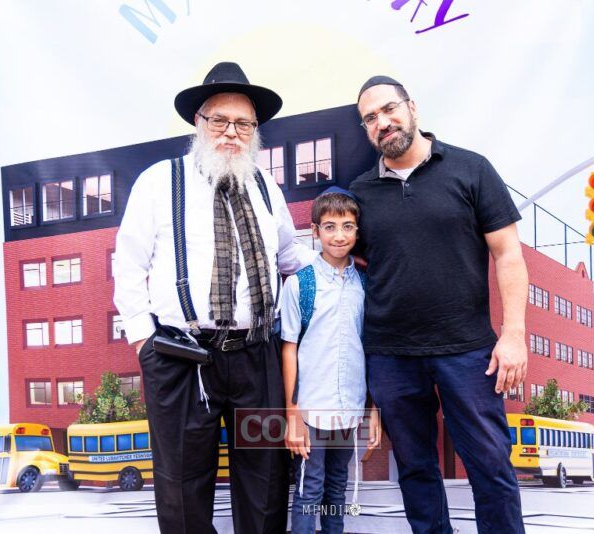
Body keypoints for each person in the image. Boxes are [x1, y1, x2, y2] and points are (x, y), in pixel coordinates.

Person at [113, 61, 316, 534]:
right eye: (219, 120)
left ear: (255, 132)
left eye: (243, 124)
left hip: (257, 358)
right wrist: (145, 344)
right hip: (182, 359)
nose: (231, 133)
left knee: (266, 482)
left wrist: (339, 263)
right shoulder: (159, 181)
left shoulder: (266, 186)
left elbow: (290, 255)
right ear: (198, 123)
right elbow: (128, 264)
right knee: (183, 487)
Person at [349, 75, 529, 534]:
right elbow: (358, 267)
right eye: (370, 118)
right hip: (391, 355)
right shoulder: (360, 193)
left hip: (467, 351)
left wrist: (514, 334)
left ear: (411, 107)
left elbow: (508, 254)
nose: (382, 123)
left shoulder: (471, 169)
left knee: (490, 465)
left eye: (389, 109)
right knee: (415, 470)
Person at [280, 189, 381, 534]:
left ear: (357, 231)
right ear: (315, 231)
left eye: (347, 226)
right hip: (311, 408)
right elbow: (289, 348)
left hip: (349, 406)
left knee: (337, 487)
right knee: (310, 487)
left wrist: (372, 409)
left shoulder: (365, 284)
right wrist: (292, 413)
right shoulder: (300, 284)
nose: (339, 235)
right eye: (330, 227)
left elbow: (370, 349)